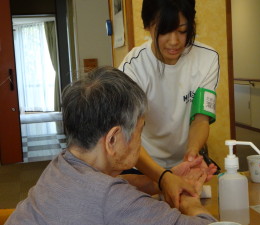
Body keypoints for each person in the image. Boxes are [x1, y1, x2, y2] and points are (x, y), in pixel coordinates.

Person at [5, 67, 217, 225]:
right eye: (140, 131)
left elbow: (110, 187)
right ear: (113, 139)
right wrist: (191, 205)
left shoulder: (61, 166)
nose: (139, 140)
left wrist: (161, 182)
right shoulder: (112, 201)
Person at [119, 0, 219, 207]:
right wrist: (164, 178)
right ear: (148, 26)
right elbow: (128, 137)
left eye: (182, 31)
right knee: (124, 191)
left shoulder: (207, 59)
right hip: (143, 162)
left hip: (183, 162)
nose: (174, 41)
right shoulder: (133, 68)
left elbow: (201, 119)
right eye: (164, 31)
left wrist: (192, 152)